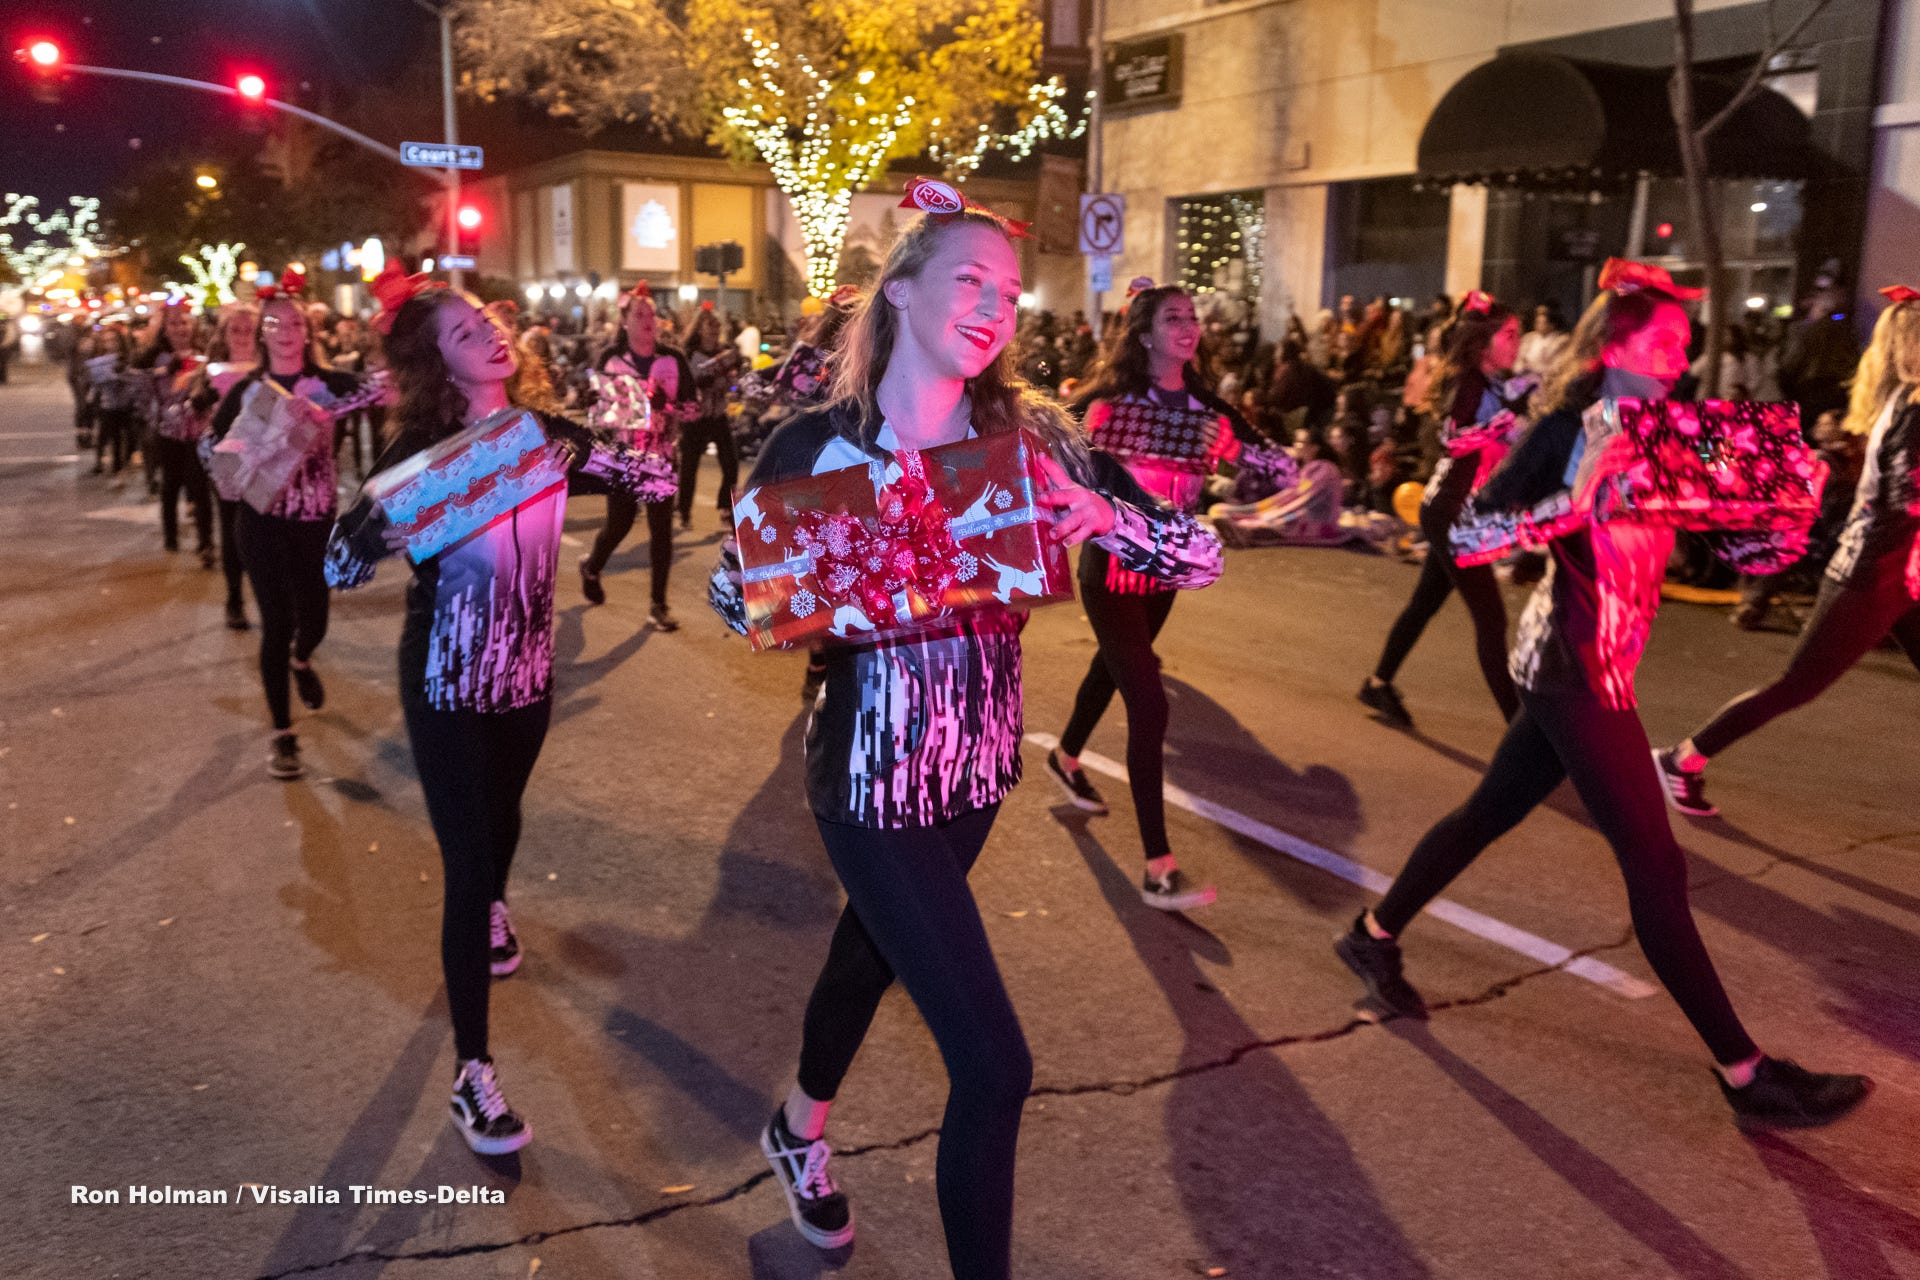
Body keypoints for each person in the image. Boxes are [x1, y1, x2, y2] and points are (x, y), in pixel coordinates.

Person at [708, 185, 1222, 1277]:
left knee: (871, 953)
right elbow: (734, 595)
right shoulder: (816, 440)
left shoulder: (1031, 434)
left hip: (980, 767)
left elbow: (1195, 552)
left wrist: (1107, 517)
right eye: (968, 281)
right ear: (902, 290)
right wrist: (821, 561)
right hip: (868, 770)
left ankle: (796, 1128)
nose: (994, 306)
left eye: (1007, 290)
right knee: (994, 1063)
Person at [1337, 259, 1872, 1128]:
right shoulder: (1562, 427)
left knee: (1488, 814)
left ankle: (1369, 936)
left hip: (1609, 663)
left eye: (1683, 339)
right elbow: (1467, 539)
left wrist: (1791, 517)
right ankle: (1747, 1074)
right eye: (1664, 338)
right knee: (1658, 867)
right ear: (1616, 341)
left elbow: (1742, 559)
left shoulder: (1675, 429)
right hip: (1570, 668)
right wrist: (1574, 501)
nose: (1681, 351)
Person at [326, 270, 675, 1157]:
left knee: (505, 817)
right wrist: (384, 531)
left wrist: (634, 441)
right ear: (434, 359)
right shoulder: (420, 449)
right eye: (462, 329)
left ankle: (491, 904)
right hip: (444, 674)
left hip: (525, 671)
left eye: (486, 318)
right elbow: (339, 564)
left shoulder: (543, 433)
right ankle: (473, 1071)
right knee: (468, 859)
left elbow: (655, 483)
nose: (486, 332)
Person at [1656, 286, 1920, 817]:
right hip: (1873, 575)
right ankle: (1681, 759)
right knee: (1795, 686)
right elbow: (1906, 499)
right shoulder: (1914, 408)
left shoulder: (1901, 402)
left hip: (1897, 573)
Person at [1049, 284, 1253, 912]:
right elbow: (1062, 453)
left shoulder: (1201, 407)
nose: (1188, 327)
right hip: (1110, 568)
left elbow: (1240, 460)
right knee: (1147, 699)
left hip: (1164, 571)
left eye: (1193, 318)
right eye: (1173, 318)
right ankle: (1158, 866)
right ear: (1144, 336)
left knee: (1111, 666)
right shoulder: (1107, 404)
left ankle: (1064, 754)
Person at [207, 290, 363, 780]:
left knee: (314, 620)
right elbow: (214, 452)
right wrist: (257, 439)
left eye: (294, 322)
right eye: (273, 323)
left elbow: (387, 390)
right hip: (261, 524)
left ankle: (302, 659)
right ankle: (283, 734)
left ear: (308, 331)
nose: (285, 331)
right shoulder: (247, 391)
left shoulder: (332, 384)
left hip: (315, 522)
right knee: (275, 623)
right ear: (262, 334)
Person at [1361, 293, 1528, 728]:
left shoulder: (1493, 383)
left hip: (1455, 511)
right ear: (1481, 341)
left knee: (1425, 604)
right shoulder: (1469, 382)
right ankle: (1519, 728)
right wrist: (1508, 421)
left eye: (1518, 333)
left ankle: (1378, 683)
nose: (1517, 342)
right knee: (1492, 620)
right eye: (1509, 334)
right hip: (1452, 513)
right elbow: (1454, 439)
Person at [576, 284, 696, 628]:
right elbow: (596, 411)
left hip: (660, 456)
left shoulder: (673, 360)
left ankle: (658, 605)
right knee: (620, 524)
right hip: (623, 455)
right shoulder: (611, 359)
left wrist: (668, 406)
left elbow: (693, 409)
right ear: (624, 321)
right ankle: (592, 566)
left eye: (651, 314)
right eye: (639, 314)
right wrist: (623, 405)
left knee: (662, 530)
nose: (647, 320)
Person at [195, 304, 263, 630]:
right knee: (231, 527)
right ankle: (234, 598)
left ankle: (272, 602)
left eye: (248, 330)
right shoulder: (213, 369)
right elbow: (195, 406)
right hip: (229, 455)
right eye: (235, 330)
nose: (242, 337)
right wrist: (204, 397)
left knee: (266, 531)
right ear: (224, 335)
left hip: (265, 456)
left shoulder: (269, 367)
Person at [136, 302, 215, 566]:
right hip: (169, 433)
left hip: (199, 431)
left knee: (201, 487)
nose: (180, 328)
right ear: (166, 330)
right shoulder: (156, 358)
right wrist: (167, 371)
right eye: (174, 324)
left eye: (184, 322)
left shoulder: (205, 354)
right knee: (171, 484)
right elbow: (141, 385)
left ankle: (206, 543)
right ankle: (170, 536)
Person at [677, 304, 743, 530]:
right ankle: (684, 510)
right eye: (710, 326)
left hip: (717, 414)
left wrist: (734, 374)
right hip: (696, 417)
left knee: (731, 464)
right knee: (689, 466)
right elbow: (687, 384)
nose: (714, 331)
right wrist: (708, 377)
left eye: (717, 326)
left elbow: (733, 384)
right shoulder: (690, 355)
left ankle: (726, 508)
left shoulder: (724, 352)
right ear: (700, 330)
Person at [1515, 303, 1568, 381]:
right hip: (1525, 381)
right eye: (1537, 321)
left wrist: (1534, 368)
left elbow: (1558, 368)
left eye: (1543, 322)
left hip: (1547, 382)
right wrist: (1522, 369)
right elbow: (1518, 362)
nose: (1538, 321)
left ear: (1552, 323)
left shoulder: (1562, 341)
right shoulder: (1528, 338)